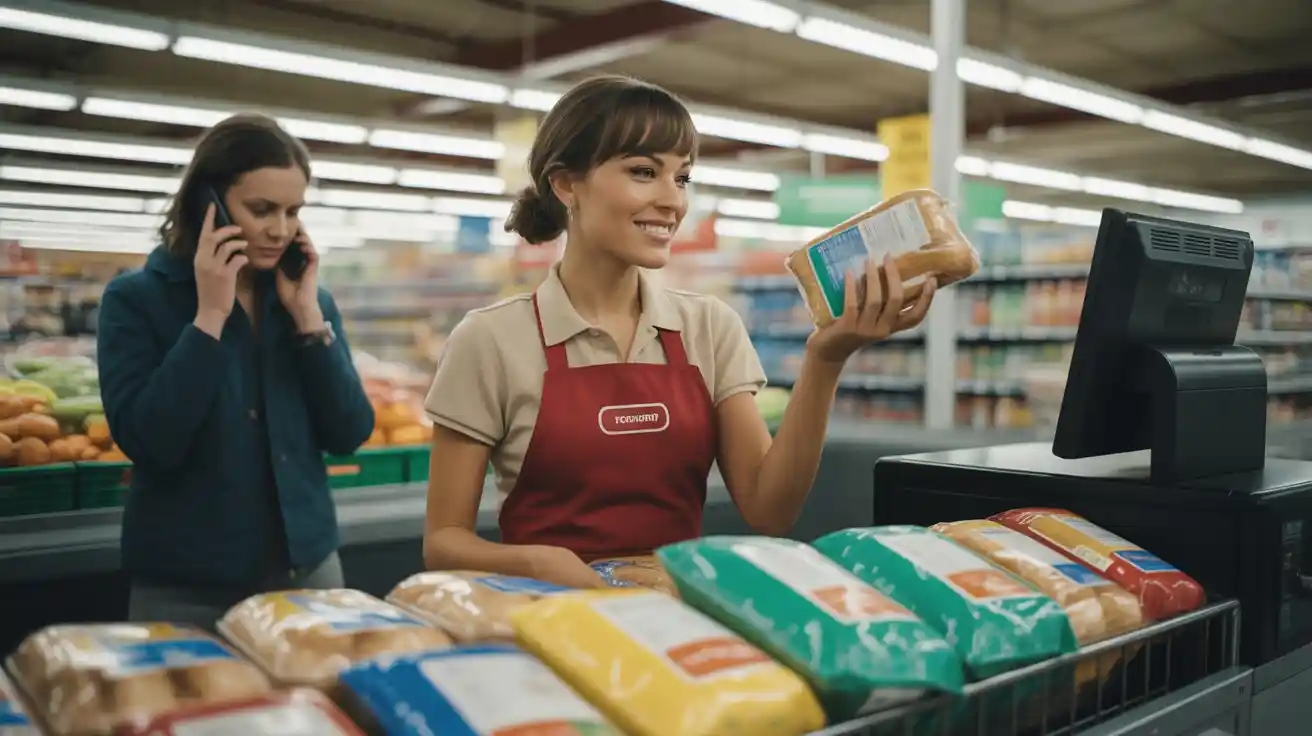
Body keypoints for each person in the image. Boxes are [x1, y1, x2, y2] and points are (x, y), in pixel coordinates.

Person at [422, 75, 935, 589]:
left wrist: (825, 360)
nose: (674, 202)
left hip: (678, 617)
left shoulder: (708, 327)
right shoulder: (490, 340)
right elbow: (444, 542)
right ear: (565, 184)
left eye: (682, 177)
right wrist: (543, 564)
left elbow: (769, 509)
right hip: (545, 619)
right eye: (644, 172)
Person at [96, 114, 375, 629]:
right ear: (210, 205)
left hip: (307, 573)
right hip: (185, 586)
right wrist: (209, 318)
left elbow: (350, 431)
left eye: (293, 212)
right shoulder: (135, 300)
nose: (280, 229)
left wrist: (309, 322)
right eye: (262, 209)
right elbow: (150, 439)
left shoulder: (309, 302)